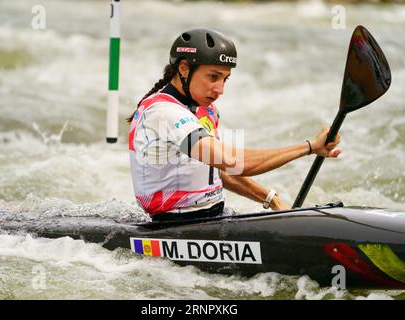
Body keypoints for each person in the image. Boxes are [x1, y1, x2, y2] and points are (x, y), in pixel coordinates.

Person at [127, 28, 341, 221]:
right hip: (173, 226)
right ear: (184, 68)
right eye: (213, 77)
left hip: (212, 217)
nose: (220, 89)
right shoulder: (163, 113)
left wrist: (270, 198)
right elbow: (232, 162)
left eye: (225, 79)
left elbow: (220, 170)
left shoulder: (204, 109)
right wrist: (310, 147)